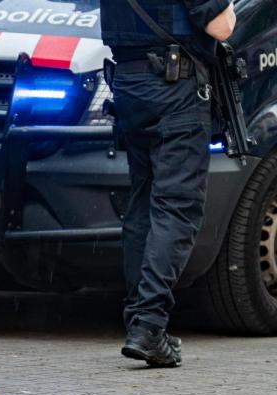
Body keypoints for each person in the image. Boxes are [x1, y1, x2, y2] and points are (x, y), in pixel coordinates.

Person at [101, 0, 237, 367]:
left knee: (143, 204)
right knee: (176, 206)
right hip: (174, 87)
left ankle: (139, 320)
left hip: (129, 83)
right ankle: (148, 325)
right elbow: (221, 26)